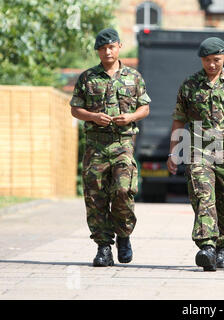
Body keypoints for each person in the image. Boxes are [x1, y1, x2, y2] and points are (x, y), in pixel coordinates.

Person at [167, 37, 224, 271]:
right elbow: (179, 121)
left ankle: (220, 247)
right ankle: (206, 246)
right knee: (203, 196)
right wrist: (173, 152)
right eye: (207, 60)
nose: (211, 65)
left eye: (216, 60)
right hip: (199, 150)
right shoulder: (190, 85)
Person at [70, 28, 151, 266]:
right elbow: (75, 109)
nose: (107, 51)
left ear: (119, 47)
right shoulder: (87, 77)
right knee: (95, 197)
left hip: (122, 144)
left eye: (111, 47)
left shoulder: (133, 77)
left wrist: (130, 117)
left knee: (123, 191)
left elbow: (144, 108)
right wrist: (93, 117)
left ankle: (124, 235)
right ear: (98, 51)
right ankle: (103, 247)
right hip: (95, 146)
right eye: (103, 48)